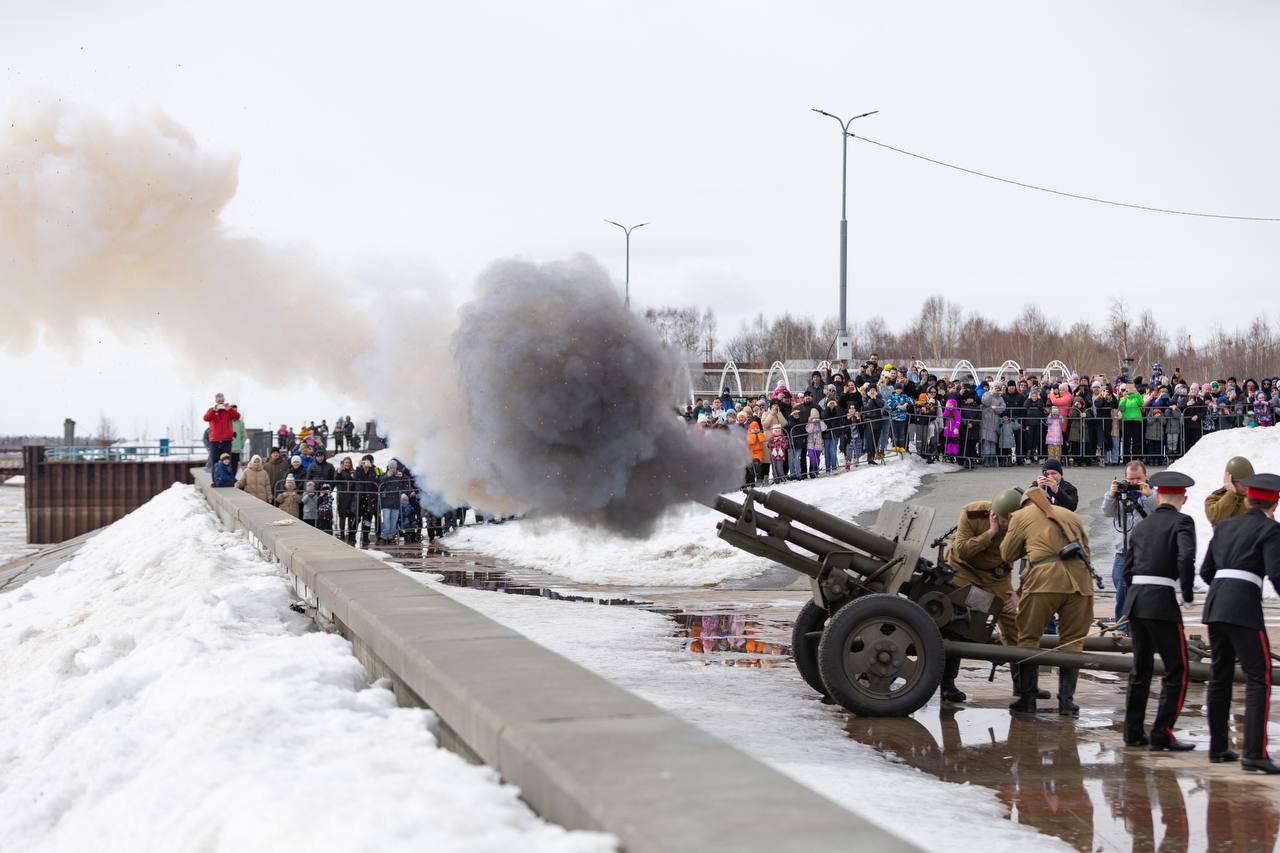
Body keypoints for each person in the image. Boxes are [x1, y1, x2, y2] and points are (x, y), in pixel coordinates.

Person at [1199, 473, 1280, 773]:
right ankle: (1254, 753)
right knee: (1259, 677)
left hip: (1216, 604)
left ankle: (1218, 747)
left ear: (1246, 499)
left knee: (1220, 677)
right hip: (1243, 607)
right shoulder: (1271, 530)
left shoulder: (1225, 527)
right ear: (1275, 502)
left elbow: (1206, 571)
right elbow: (1276, 573)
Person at [1122, 471, 1198, 751]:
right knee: (1177, 669)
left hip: (1137, 601)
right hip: (1162, 603)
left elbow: (1128, 568)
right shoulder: (1183, 522)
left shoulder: (1142, 525)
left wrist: (1134, 594)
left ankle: (1132, 733)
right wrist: (1187, 593)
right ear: (1184, 498)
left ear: (1157, 495)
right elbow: (1185, 557)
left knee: (1140, 670)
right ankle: (1162, 733)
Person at [1001, 491, 1094, 714]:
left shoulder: (1022, 516)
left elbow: (1007, 553)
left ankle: (1028, 699)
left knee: (1028, 638)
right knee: (1072, 642)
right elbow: (1087, 550)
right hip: (1081, 582)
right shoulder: (1069, 515)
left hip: (1045, 581)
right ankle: (1066, 702)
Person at [941, 489, 1037, 702]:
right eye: (1003, 522)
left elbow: (1035, 561)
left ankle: (1024, 686)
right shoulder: (972, 513)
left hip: (997, 577)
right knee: (956, 623)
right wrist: (990, 533)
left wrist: (1019, 595)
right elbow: (963, 550)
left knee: (1015, 625)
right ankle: (947, 686)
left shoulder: (1025, 524)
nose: (1007, 528)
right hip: (963, 571)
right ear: (994, 515)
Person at [1101, 460, 1156, 626]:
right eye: (1130, 479)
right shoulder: (1120, 493)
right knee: (1120, 582)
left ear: (1145, 476)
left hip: (1144, 550)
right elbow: (1107, 512)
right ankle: (1125, 622)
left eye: (1137, 478)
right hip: (1123, 550)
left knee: (1138, 588)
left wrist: (1148, 495)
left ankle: (1127, 623)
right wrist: (1111, 495)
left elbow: (1157, 509)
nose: (1133, 483)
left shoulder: (1151, 493)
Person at [1205, 456, 1254, 528]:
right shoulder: (1214, 499)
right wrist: (1231, 493)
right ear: (1230, 481)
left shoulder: (1255, 499)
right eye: (1243, 482)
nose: (1247, 485)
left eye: (1249, 481)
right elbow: (1215, 518)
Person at [203, 393, 240, 471]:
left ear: (224, 400)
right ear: (215, 400)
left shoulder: (228, 410)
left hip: (226, 441)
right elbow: (206, 418)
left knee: (227, 461)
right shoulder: (211, 410)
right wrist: (213, 410)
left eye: (221, 399)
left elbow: (237, 416)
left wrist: (229, 409)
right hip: (214, 441)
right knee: (214, 461)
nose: (220, 401)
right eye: (218, 400)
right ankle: (216, 481)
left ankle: (226, 480)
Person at [334, 456, 359, 541]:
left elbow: (356, 482)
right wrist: (339, 473)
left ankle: (350, 534)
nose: (347, 464)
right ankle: (342, 534)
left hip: (352, 496)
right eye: (346, 463)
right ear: (343, 464)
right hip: (342, 496)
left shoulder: (353, 472)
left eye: (349, 463)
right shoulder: (339, 471)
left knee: (351, 515)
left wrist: (353, 476)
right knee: (342, 516)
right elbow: (336, 480)